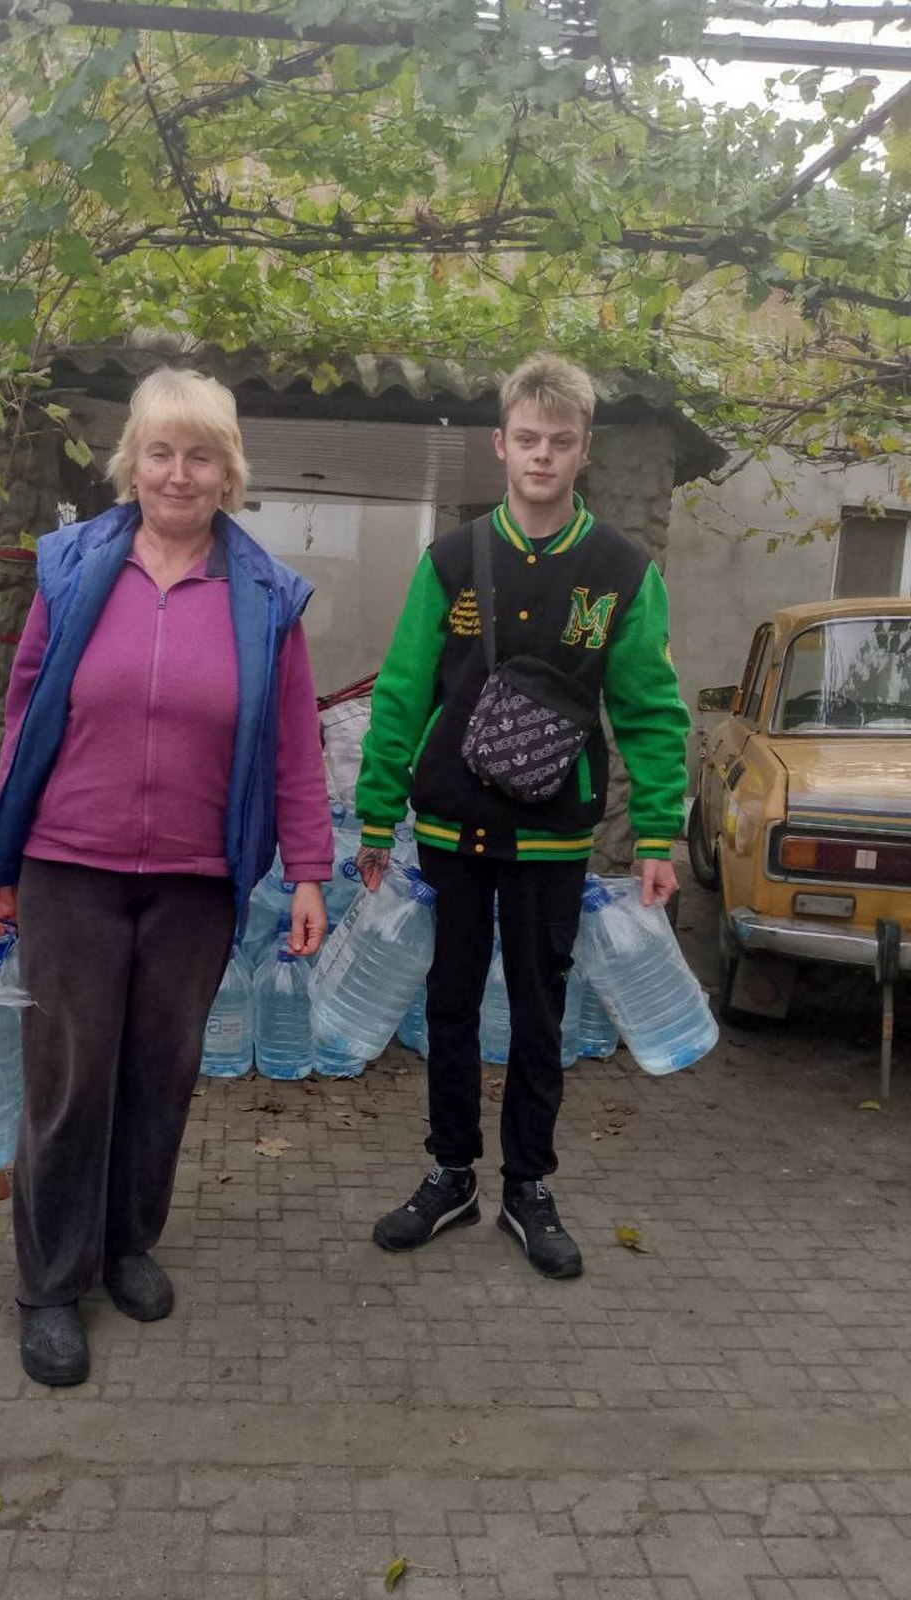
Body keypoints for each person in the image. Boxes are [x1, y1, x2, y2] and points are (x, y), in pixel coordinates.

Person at [0, 367, 332, 1387]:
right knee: (69, 1076)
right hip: (70, 863)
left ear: (228, 472)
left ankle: (127, 1243)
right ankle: (50, 1282)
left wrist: (308, 869)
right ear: (133, 461)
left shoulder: (266, 597)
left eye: (201, 453)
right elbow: (23, 724)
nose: (179, 472)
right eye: (162, 451)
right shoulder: (72, 568)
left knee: (161, 1070)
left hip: (198, 876)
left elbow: (297, 747)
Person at [352, 352, 689, 1277]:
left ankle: (529, 1187)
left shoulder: (621, 570)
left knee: (540, 1015)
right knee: (449, 1005)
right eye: (528, 439)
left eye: (562, 442)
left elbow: (652, 710)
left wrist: (657, 834)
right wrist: (376, 816)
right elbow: (403, 692)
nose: (542, 456)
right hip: (453, 830)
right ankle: (450, 1172)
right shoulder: (453, 560)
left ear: (584, 452)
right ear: (500, 444)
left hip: (554, 837)